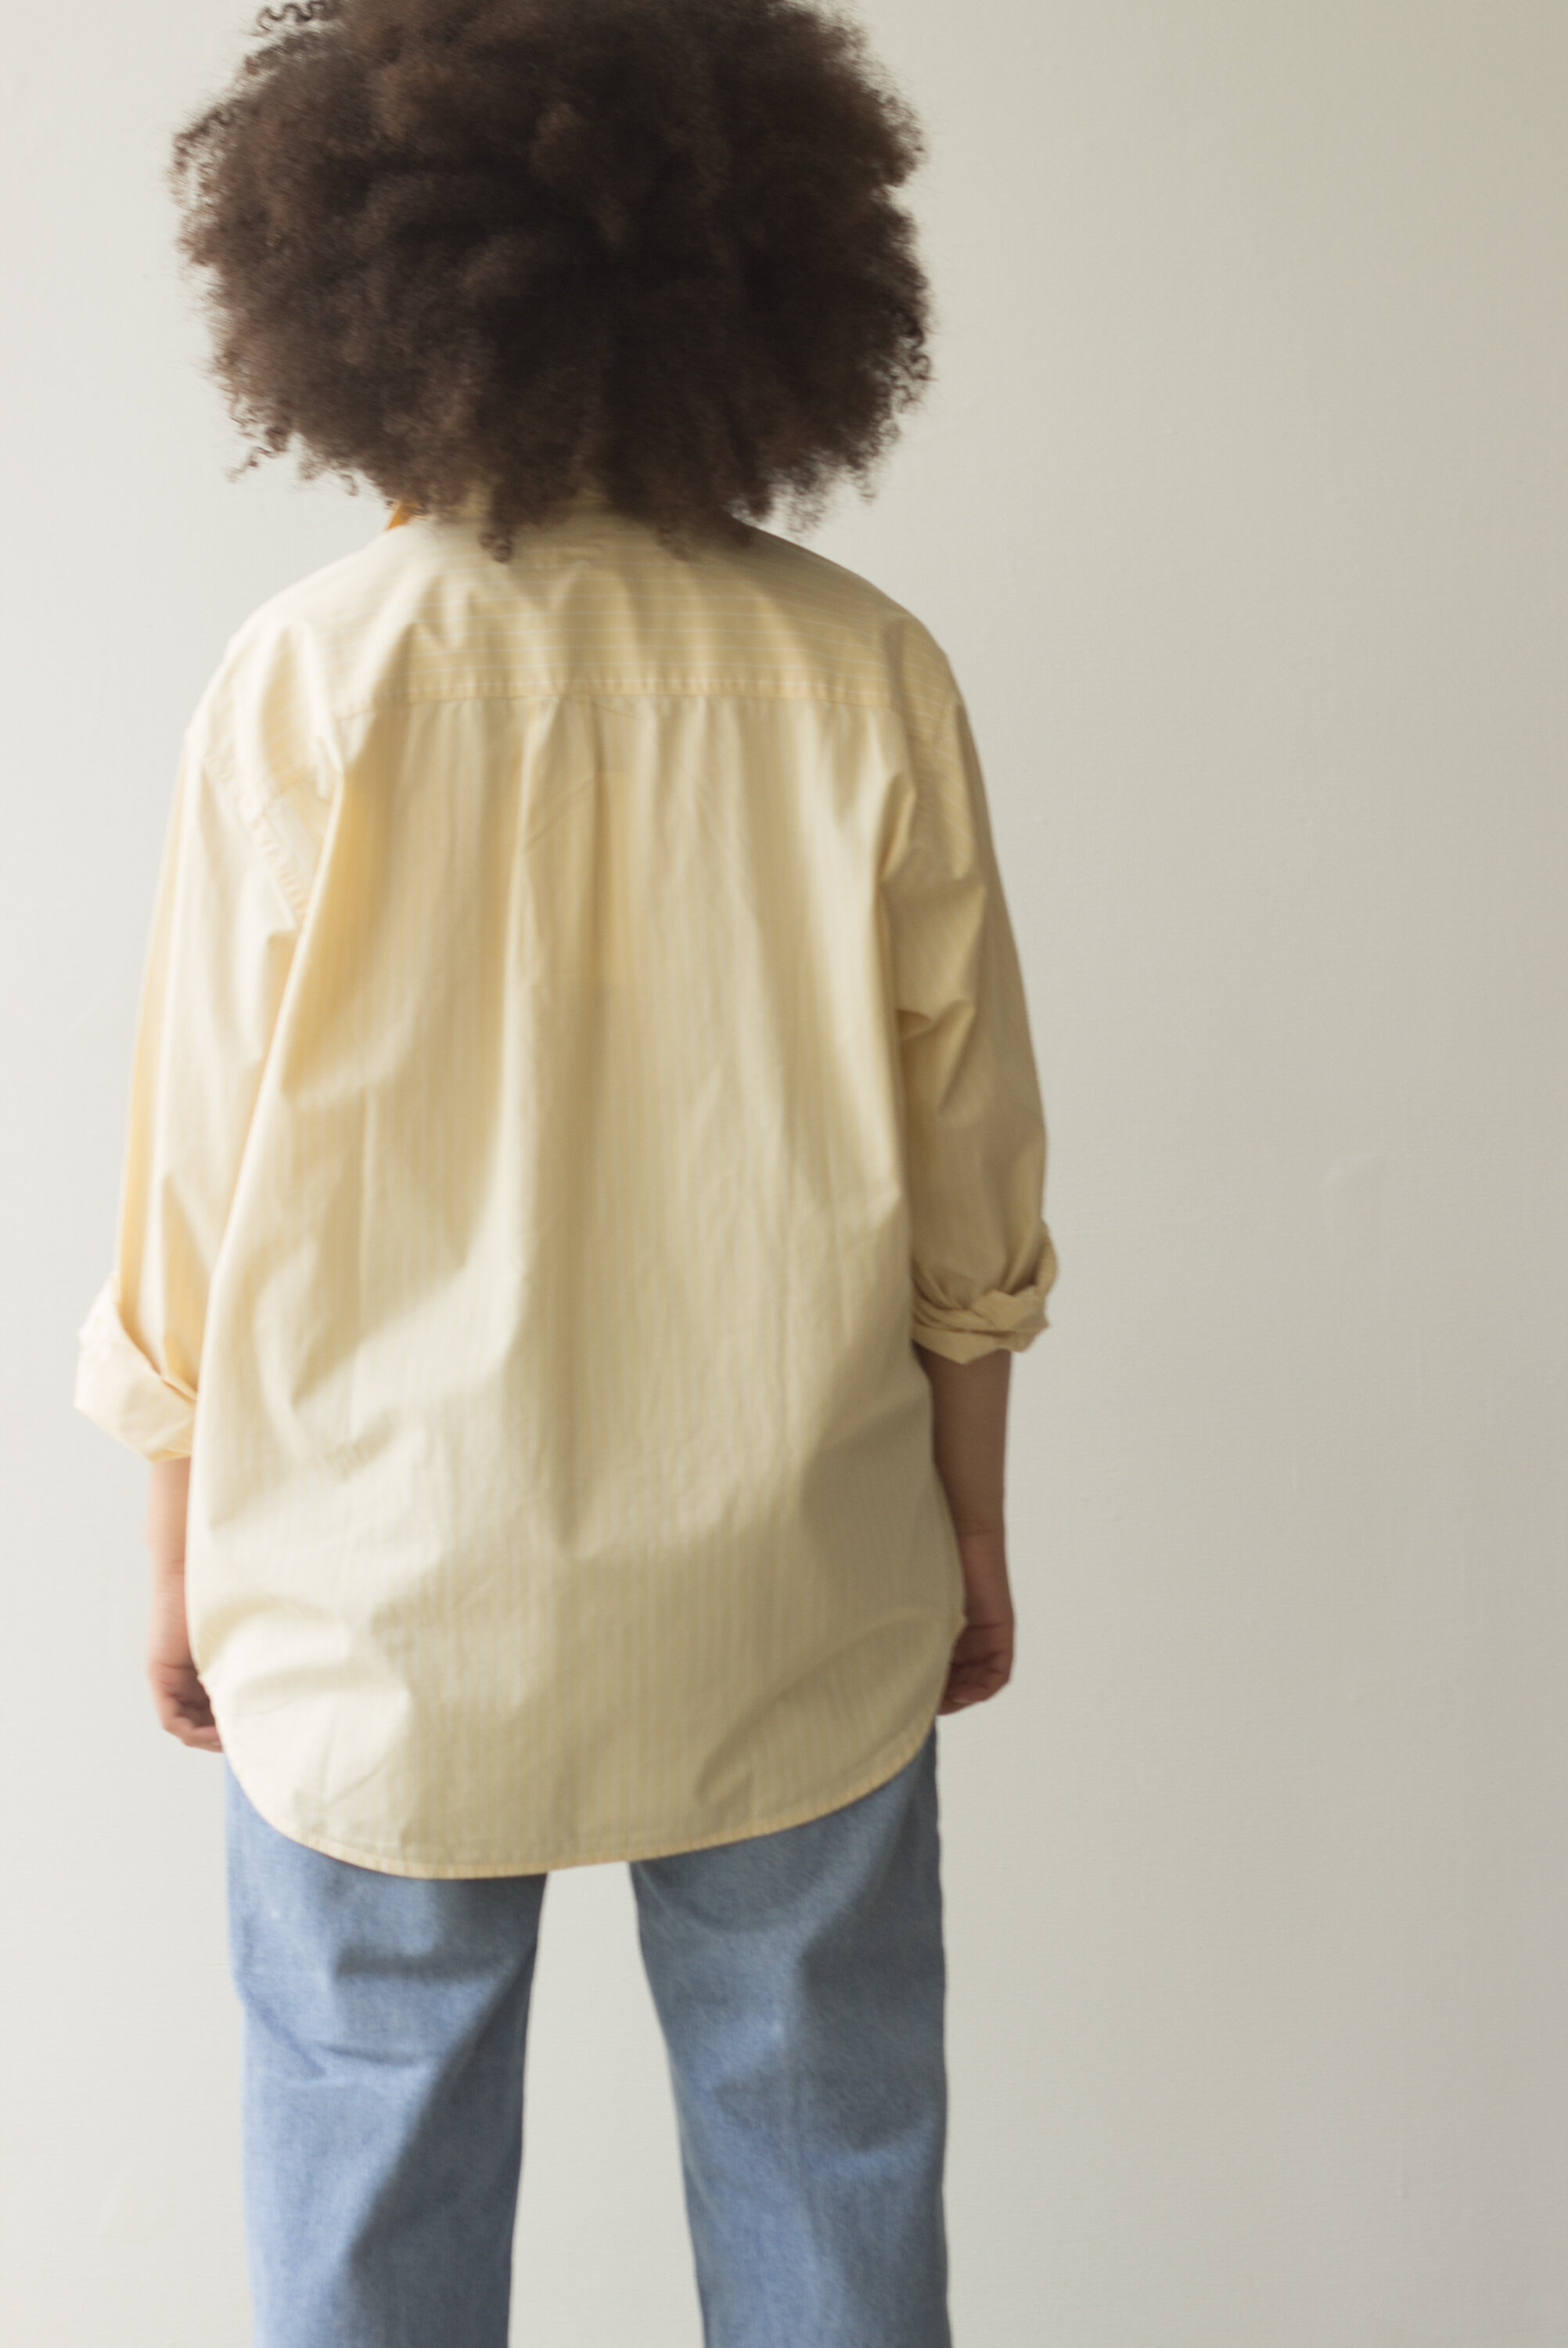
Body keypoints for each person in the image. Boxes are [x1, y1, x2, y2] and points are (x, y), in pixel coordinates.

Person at [73, 0, 1058, 2341]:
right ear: (768, 297)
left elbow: (197, 1170)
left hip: (378, 1582)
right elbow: (971, 1171)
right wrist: (969, 1517)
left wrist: (179, 1546)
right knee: (827, 2164)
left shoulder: (308, 679)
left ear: (349, 311)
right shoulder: (864, 671)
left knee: (362, 2184)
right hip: (789, 1569)